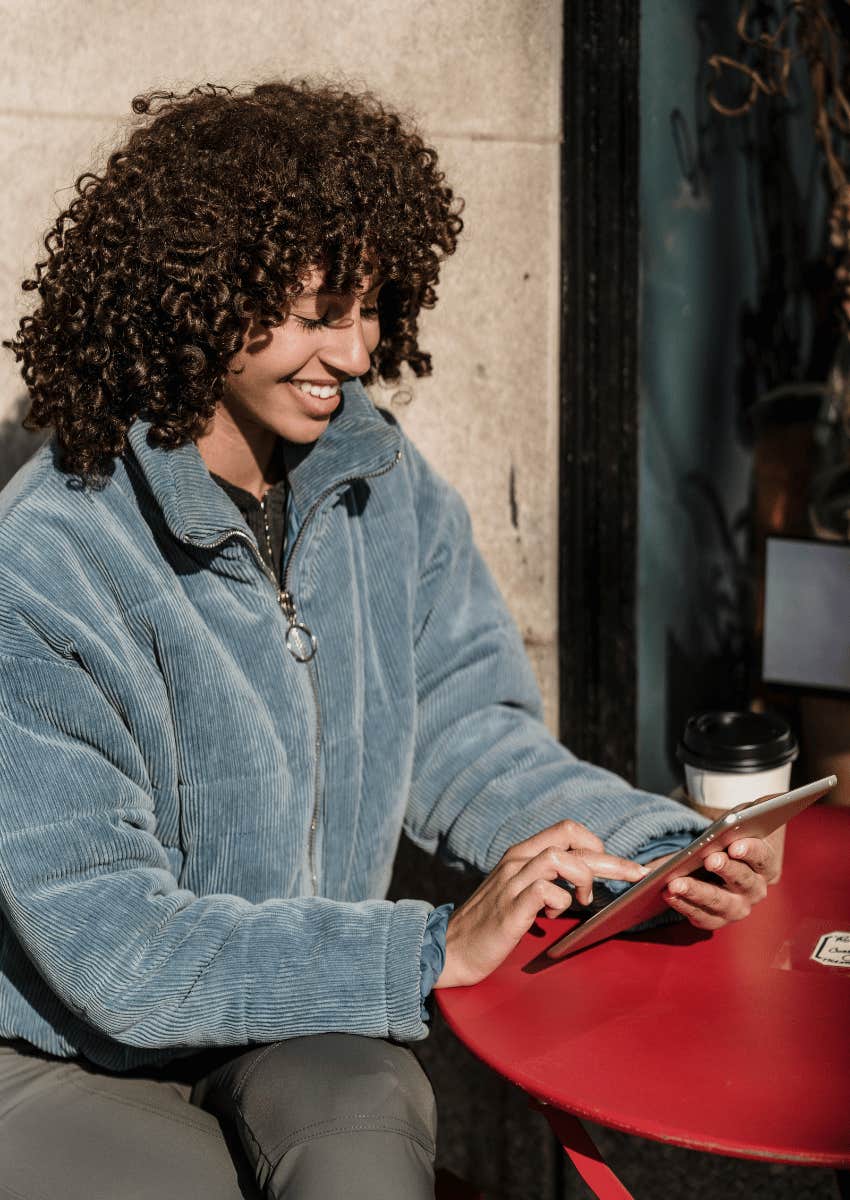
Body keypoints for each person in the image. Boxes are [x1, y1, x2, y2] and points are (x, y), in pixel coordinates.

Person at [0, 80, 778, 1200]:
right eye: (322, 315)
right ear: (201, 297)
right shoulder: (51, 556)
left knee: (363, 1136)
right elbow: (117, 950)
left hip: (299, 1018)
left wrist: (650, 851)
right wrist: (423, 953)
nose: (358, 353)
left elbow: (466, 734)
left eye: (371, 310)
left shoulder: (379, 484)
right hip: (71, 1056)